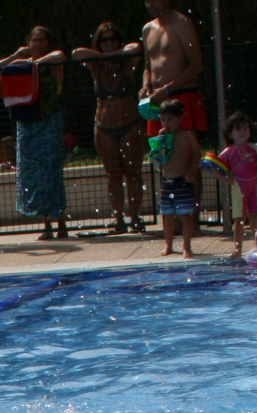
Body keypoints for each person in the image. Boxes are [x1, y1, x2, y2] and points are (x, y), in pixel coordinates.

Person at [0, 25, 71, 239]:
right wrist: (16, 56)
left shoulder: (51, 62)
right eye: (34, 41)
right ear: (28, 43)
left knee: (52, 171)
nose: (38, 44)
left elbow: (60, 55)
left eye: (43, 40)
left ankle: (61, 221)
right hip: (27, 124)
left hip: (50, 122)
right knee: (33, 175)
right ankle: (45, 224)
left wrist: (34, 63)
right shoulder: (21, 64)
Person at [72, 23, 147, 234]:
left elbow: (136, 48)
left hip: (130, 124)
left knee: (133, 173)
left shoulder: (128, 63)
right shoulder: (95, 66)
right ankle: (118, 218)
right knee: (113, 174)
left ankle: (134, 217)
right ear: (98, 43)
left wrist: (114, 56)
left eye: (113, 38)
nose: (109, 42)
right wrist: (103, 59)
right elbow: (76, 53)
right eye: (104, 40)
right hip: (104, 127)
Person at [140, 0, 206, 142]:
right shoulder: (147, 29)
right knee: (160, 155)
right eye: (147, 1)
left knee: (184, 152)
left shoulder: (182, 23)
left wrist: (167, 89)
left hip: (181, 95)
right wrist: (145, 86)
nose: (150, 5)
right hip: (158, 99)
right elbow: (147, 66)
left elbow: (197, 65)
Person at [150, 99, 200, 256]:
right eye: (163, 119)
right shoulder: (162, 137)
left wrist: (192, 170)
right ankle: (168, 245)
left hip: (183, 179)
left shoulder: (187, 135)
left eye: (170, 119)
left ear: (181, 119)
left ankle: (186, 246)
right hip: (167, 180)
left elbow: (197, 153)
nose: (166, 123)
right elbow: (156, 154)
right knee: (168, 215)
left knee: (185, 215)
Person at [217, 111, 257, 246]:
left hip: (254, 186)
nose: (243, 131)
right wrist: (226, 178)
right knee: (239, 219)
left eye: (245, 128)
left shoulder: (255, 149)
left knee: (255, 216)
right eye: (238, 129)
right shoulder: (229, 151)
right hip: (238, 187)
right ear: (230, 134)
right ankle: (238, 248)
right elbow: (217, 165)